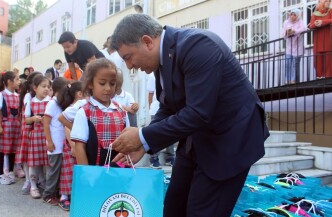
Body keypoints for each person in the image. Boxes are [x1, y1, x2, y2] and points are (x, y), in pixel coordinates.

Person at [110, 14, 269, 217]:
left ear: (147, 42)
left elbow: (198, 113)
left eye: (128, 57)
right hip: (197, 139)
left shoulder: (199, 46)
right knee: (174, 206)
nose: (130, 66)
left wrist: (142, 135)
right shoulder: (162, 59)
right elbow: (168, 108)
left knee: (201, 212)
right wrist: (144, 143)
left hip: (229, 141)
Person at [70, 58, 129, 167]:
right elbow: (79, 147)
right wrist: (87, 175)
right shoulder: (84, 112)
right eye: (102, 83)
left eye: (112, 83)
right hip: (94, 174)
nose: (108, 88)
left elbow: (127, 143)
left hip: (119, 173)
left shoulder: (121, 111)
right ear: (90, 84)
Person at [56, 81, 84, 211]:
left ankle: (74, 195)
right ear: (79, 94)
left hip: (79, 144)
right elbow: (67, 128)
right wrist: (73, 145)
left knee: (76, 170)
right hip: (71, 145)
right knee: (68, 171)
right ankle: (64, 196)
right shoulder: (73, 109)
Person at [42, 77, 68, 207]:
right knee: (53, 170)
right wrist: (49, 141)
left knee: (59, 170)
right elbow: (46, 123)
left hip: (61, 144)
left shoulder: (60, 103)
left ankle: (55, 192)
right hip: (54, 144)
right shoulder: (52, 104)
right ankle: (48, 194)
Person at [16, 72, 43, 194]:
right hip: (29, 129)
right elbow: (28, 115)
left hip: (36, 129)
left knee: (35, 157)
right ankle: (28, 180)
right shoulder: (29, 97)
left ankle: (37, 180)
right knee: (28, 157)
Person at [24, 75, 51, 198]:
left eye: (48, 87)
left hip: (48, 135)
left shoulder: (50, 101)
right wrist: (34, 118)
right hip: (36, 136)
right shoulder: (30, 103)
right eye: (43, 86)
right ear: (35, 88)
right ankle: (33, 185)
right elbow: (26, 120)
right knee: (34, 162)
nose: (46, 89)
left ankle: (44, 182)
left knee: (47, 161)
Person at [0, 71, 21, 185]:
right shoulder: (1, 95)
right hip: (5, 126)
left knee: (12, 150)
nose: (19, 82)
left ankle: (9, 172)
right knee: (1, 150)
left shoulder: (17, 96)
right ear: (9, 82)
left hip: (15, 127)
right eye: (17, 79)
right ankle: (0, 174)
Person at [146, 72, 175, 168]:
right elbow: (150, 93)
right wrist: (151, 106)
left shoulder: (171, 73)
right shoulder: (152, 76)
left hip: (169, 109)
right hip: (156, 110)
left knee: (171, 133)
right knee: (156, 134)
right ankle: (154, 158)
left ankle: (170, 157)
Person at [282, 9, 307, 84]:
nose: (292, 16)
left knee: (294, 65)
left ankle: (293, 80)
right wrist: (287, 33)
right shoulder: (286, 22)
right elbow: (283, 33)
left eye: (294, 15)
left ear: (297, 16)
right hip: (289, 47)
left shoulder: (300, 22)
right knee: (288, 63)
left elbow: (304, 28)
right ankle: (288, 79)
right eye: (291, 14)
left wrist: (295, 31)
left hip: (297, 47)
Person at [309, 0, 332, 79]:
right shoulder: (315, 14)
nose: (328, 3)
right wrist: (316, 24)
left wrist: (323, 22)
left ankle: (328, 76)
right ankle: (319, 76)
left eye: (329, 1)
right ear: (321, 2)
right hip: (318, 40)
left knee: (328, 59)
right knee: (318, 58)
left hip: (328, 39)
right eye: (326, 1)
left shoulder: (330, 11)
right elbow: (311, 26)